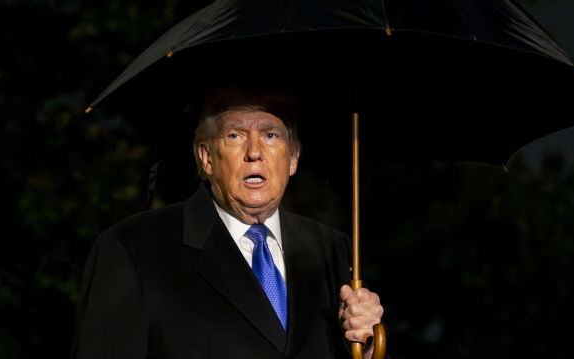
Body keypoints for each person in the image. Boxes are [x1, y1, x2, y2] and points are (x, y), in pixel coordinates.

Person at [72, 87, 384, 358]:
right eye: (235, 135)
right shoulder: (132, 248)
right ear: (207, 157)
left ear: (293, 157)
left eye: (270, 135)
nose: (254, 152)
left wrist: (369, 349)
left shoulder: (333, 248)